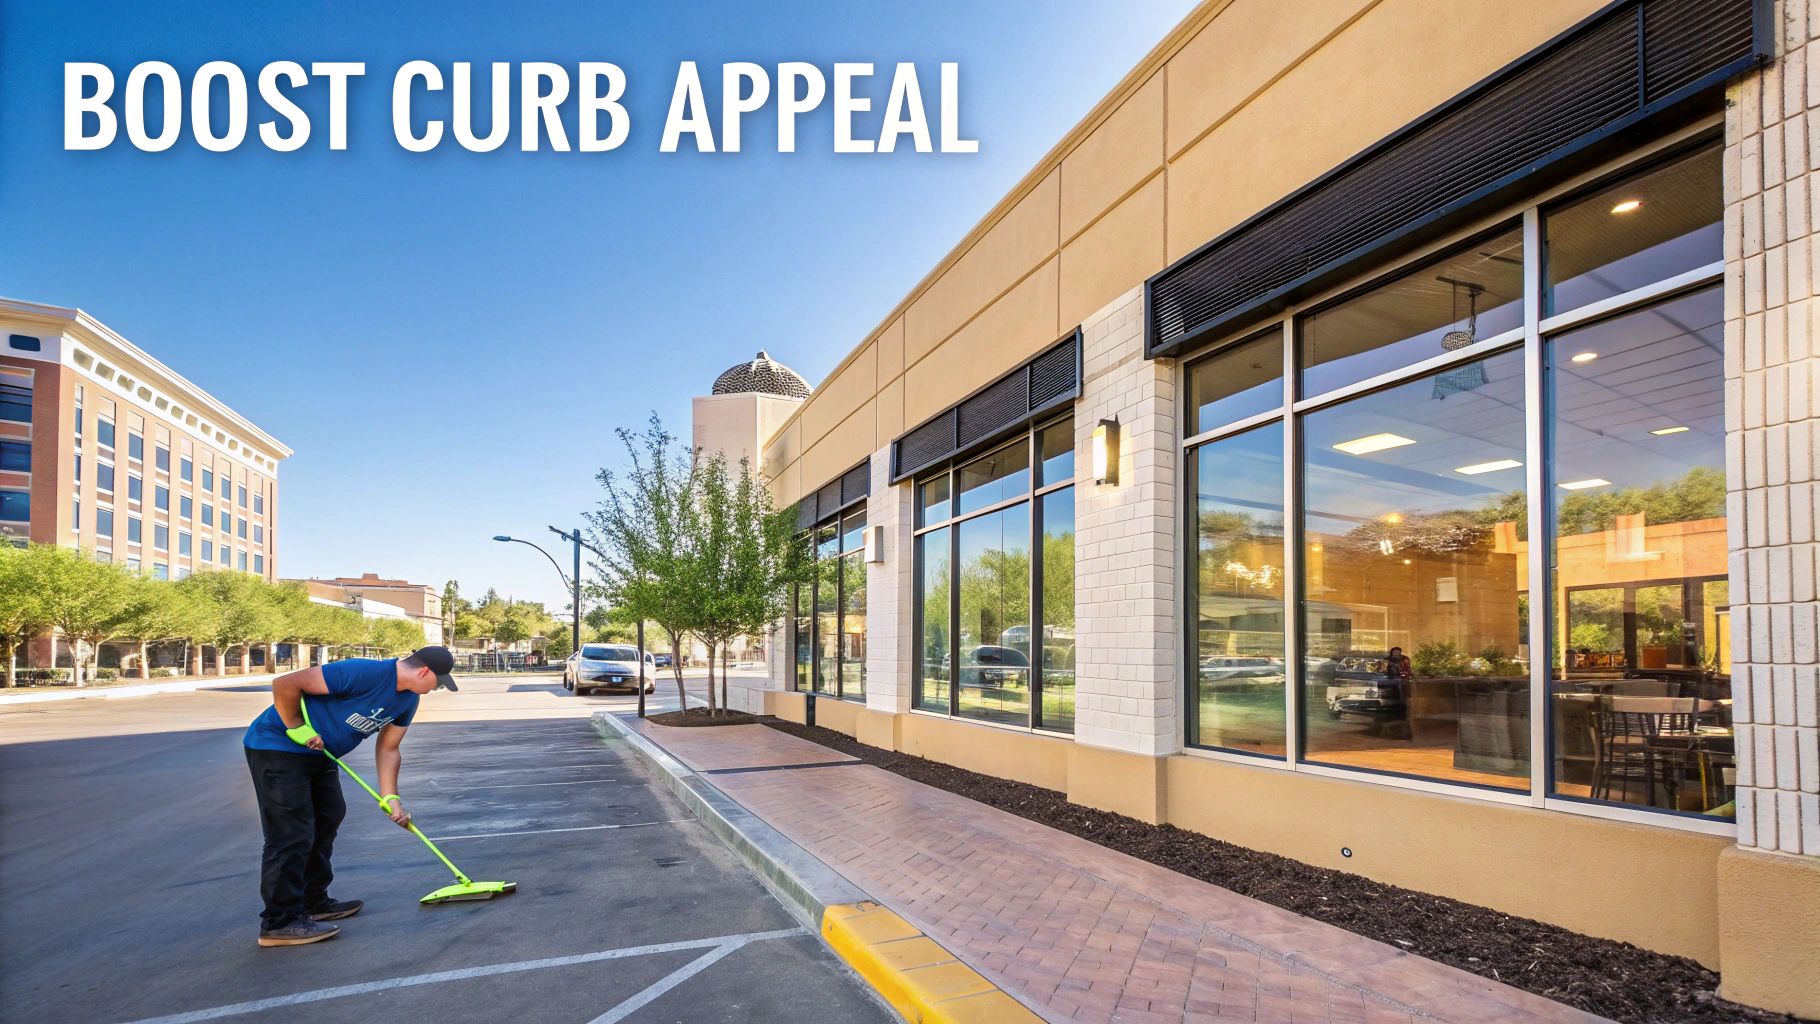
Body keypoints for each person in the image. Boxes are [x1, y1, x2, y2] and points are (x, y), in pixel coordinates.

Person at [242, 646, 458, 947]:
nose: (434, 689)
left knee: (329, 815)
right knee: (291, 831)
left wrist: (391, 797)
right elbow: (286, 684)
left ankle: (312, 901)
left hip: (320, 754)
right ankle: (280, 922)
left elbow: (389, 748)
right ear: (423, 672)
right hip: (278, 747)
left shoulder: (408, 699)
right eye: (437, 682)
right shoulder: (364, 672)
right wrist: (296, 728)